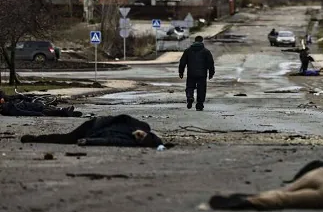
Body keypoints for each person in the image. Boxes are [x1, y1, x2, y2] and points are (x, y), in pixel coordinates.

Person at [208, 159, 323, 210]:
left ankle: (262, 195)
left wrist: (295, 179)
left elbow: (318, 163)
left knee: (285, 190)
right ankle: (251, 202)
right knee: (286, 199)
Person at [20, 114, 167, 148]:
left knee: (67, 140)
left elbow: (111, 141)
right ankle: (35, 138)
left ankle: (33, 138)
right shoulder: (140, 125)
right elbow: (123, 117)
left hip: (94, 133)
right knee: (67, 138)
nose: (139, 136)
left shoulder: (131, 142)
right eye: (142, 135)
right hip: (94, 125)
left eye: (139, 139)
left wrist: (89, 141)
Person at [178, 36, 215, 111]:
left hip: (191, 73)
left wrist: (181, 72)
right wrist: (211, 73)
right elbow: (210, 63)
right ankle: (199, 104)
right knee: (201, 89)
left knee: (190, 87)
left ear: (194, 41)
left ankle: (190, 97)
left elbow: (182, 62)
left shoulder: (188, 51)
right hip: (202, 74)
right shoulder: (206, 51)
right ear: (202, 41)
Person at [0, 91, 81, 117]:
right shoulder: (7, 107)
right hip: (10, 107)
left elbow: (3, 96)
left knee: (38, 106)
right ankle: (61, 111)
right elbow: (19, 111)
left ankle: (62, 111)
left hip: (13, 104)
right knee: (37, 108)